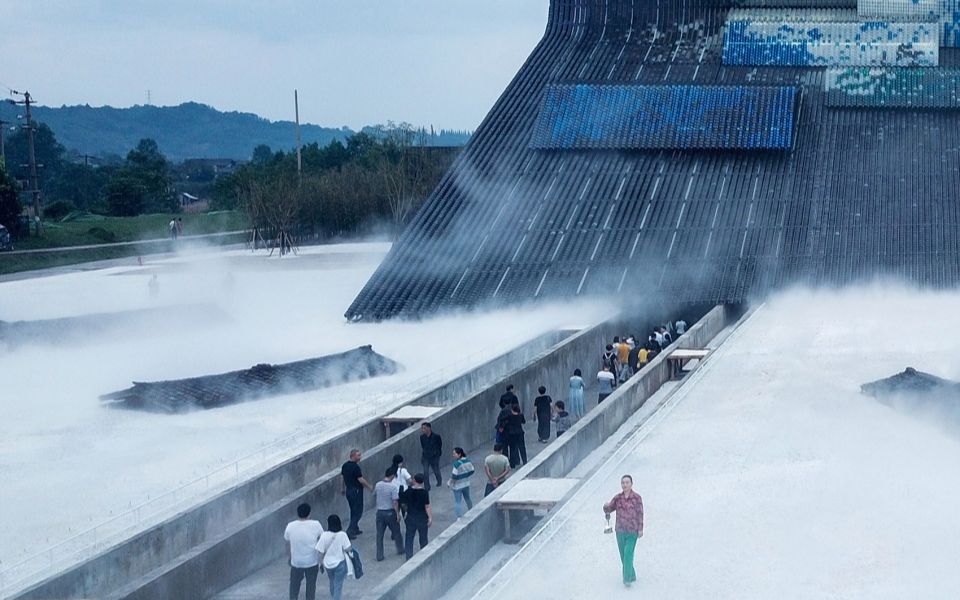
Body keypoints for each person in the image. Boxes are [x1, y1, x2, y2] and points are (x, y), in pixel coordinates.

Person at [603, 475, 644, 587]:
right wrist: (606, 506)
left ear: (631, 484)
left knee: (628, 553)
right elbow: (609, 509)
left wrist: (640, 529)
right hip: (620, 530)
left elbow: (640, 513)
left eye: (627, 482)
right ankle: (632, 575)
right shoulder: (617, 498)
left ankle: (627, 579)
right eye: (623, 483)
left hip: (632, 530)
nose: (625, 485)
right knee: (623, 555)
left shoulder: (637, 498)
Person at [284, 503, 323, 600]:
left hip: (296, 561)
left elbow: (287, 544)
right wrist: (321, 559)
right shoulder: (316, 524)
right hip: (312, 561)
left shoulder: (290, 526)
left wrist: (290, 557)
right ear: (309, 514)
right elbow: (322, 541)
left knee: (294, 585)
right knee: (311, 586)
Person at [315, 515, 353, 600]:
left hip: (328, 564)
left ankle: (333, 596)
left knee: (332, 581)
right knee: (338, 584)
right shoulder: (342, 534)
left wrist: (320, 563)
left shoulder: (324, 535)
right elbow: (348, 548)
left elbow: (320, 551)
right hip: (340, 563)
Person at [340, 449, 373, 539]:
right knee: (358, 512)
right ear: (353, 456)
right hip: (356, 491)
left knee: (353, 510)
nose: (360, 457)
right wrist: (369, 486)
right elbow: (360, 479)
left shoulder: (345, 466)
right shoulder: (355, 467)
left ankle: (355, 528)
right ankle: (349, 531)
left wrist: (343, 488)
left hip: (349, 491)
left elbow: (343, 478)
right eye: (358, 455)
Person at [373, 467, 404, 561]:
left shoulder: (378, 485)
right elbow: (395, 502)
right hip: (390, 512)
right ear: (392, 476)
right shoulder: (392, 487)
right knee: (396, 532)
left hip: (380, 512)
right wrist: (398, 514)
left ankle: (379, 555)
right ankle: (400, 549)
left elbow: (375, 495)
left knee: (379, 535)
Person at [402, 474, 432, 559]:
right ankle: (424, 556)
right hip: (422, 517)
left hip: (411, 517)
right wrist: (430, 517)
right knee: (423, 538)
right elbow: (427, 506)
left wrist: (406, 512)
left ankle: (408, 556)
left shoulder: (408, 491)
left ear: (414, 480)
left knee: (409, 538)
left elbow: (403, 504)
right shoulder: (424, 492)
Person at [448, 447, 475, 517]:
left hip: (457, 485)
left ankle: (459, 517)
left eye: (454, 453)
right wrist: (466, 475)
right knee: (468, 498)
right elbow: (472, 470)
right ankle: (471, 511)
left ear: (459, 454)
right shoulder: (467, 461)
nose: (453, 455)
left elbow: (454, 476)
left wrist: (450, 483)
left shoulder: (456, 464)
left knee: (458, 501)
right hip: (466, 483)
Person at [419, 422, 443, 491]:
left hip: (434, 456)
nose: (423, 430)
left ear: (429, 428)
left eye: (424, 428)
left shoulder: (436, 436)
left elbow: (439, 445)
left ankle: (439, 480)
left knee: (436, 469)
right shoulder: (422, 437)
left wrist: (437, 454)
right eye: (422, 428)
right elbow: (423, 446)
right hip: (426, 456)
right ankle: (427, 486)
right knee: (425, 471)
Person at [504, 402, 527, 468]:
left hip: (512, 434)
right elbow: (524, 422)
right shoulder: (521, 415)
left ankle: (512, 464)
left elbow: (505, 422)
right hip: (520, 433)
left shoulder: (509, 416)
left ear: (512, 410)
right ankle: (524, 461)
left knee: (512, 449)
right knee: (522, 447)